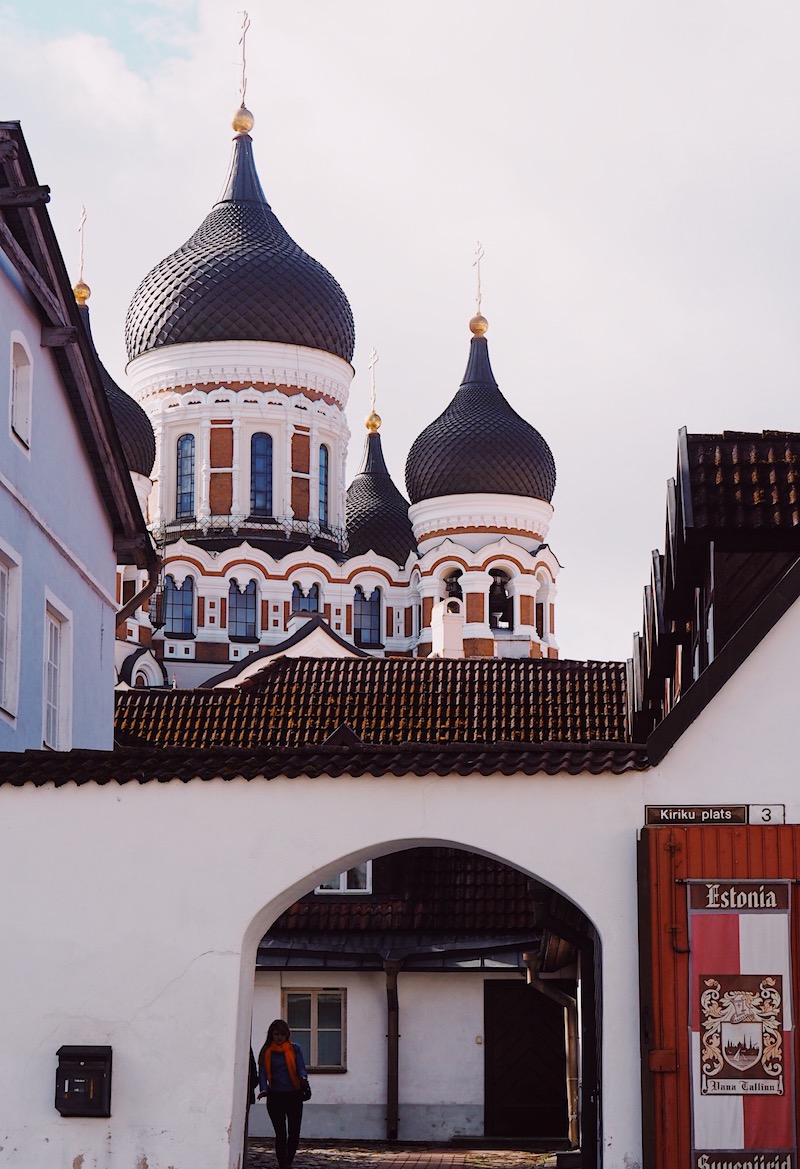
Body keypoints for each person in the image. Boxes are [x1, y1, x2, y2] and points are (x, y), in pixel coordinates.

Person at [257, 1019, 311, 1169]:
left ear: (287, 1034)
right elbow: (262, 1072)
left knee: (294, 1133)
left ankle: (289, 1160)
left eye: (282, 1034)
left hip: (293, 1095)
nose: (279, 1037)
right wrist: (263, 1089)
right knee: (281, 1133)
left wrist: (303, 1078)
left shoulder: (295, 1049)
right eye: (276, 1034)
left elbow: (300, 1066)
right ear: (271, 1035)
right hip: (275, 1096)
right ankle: (283, 1164)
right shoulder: (266, 1051)